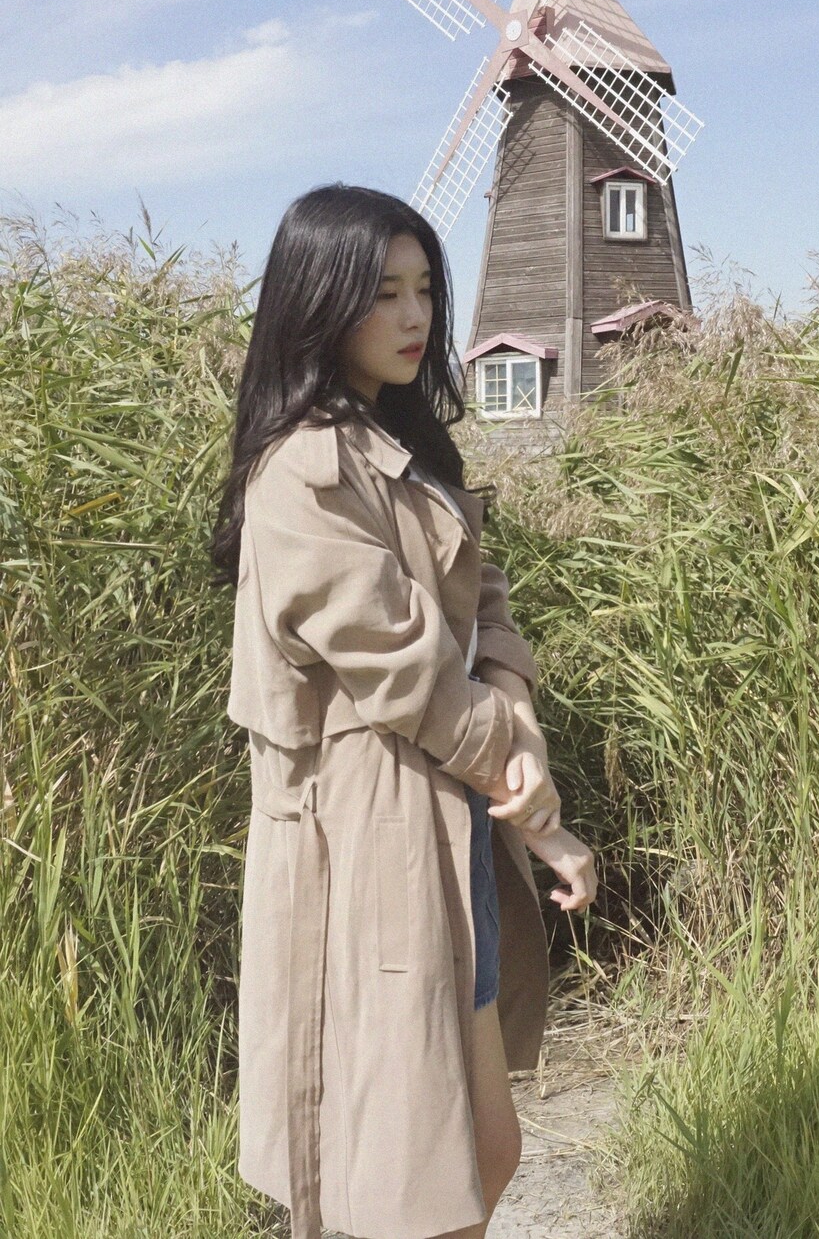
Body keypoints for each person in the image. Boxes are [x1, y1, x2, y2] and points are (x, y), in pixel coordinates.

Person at [210, 183, 598, 1239]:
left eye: (425, 287)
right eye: (384, 292)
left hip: (450, 820)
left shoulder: (402, 440)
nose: (414, 314)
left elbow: (483, 605)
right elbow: (406, 669)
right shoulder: (303, 471)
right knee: (419, 1171)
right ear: (321, 301)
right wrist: (536, 804)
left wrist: (518, 718)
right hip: (368, 842)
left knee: (478, 1150)